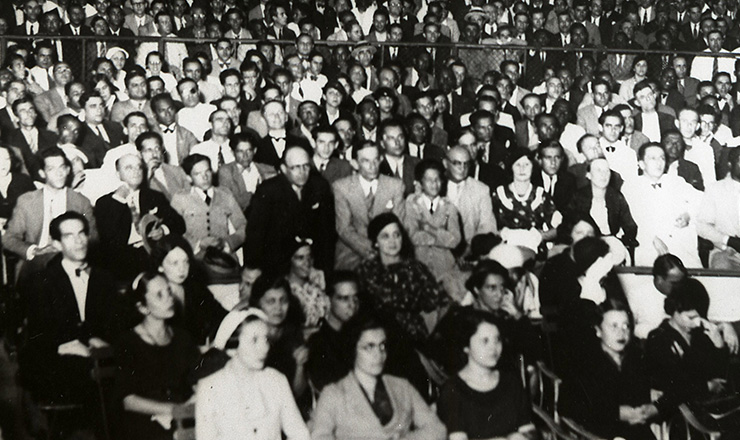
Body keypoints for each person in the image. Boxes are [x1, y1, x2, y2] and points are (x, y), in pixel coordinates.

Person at [22, 212, 120, 413]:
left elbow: (114, 324)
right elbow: (38, 333)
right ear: (56, 244)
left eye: (82, 233)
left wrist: (97, 343)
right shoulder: (41, 282)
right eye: (69, 236)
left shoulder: (105, 279)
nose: (79, 241)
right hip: (57, 359)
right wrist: (70, 344)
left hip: (99, 358)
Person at [311, 313, 446, 440]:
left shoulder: (402, 386)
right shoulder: (334, 394)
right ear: (353, 349)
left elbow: (437, 429)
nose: (379, 355)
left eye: (382, 346)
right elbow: (320, 437)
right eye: (369, 347)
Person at [196, 309, 310, 440]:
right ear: (232, 347)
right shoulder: (209, 389)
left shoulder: (276, 380)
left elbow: (300, 434)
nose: (265, 348)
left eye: (266, 339)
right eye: (254, 340)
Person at [562, 299, 663, 439]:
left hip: (637, 433)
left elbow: (666, 391)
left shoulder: (637, 358)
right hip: (598, 435)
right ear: (598, 330)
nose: (621, 333)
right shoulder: (584, 363)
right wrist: (617, 413)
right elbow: (569, 408)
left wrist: (654, 408)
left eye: (626, 326)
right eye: (613, 326)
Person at [117, 271, 200, 440]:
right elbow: (128, 400)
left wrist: (190, 405)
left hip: (182, 415)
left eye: (168, 291)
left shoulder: (183, 338)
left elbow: (196, 382)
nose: (169, 299)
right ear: (143, 307)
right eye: (159, 295)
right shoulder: (128, 343)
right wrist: (173, 410)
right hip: (145, 422)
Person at [436, 309, 535, 440]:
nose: (493, 347)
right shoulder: (453, 390)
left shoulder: (511, 381)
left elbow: (528, 429)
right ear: (466, 346)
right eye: (485, 341)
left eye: (497, 340)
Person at [5, 148, 97, 282]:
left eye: (62, 168)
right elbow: (9, 238)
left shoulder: (81, 202)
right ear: (42, 173)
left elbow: (93, 238)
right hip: (36, 264)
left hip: (71, 261)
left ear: (68, 170)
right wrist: (33, 250)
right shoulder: (27, 201)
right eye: (51, 169)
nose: (59, 173)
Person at [357, 213, 447, 347]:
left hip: (412, 338)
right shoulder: (365, 270)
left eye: (396, 235)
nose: (392, 241)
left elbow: (440, 302)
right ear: (376, 242)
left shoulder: (415, 269)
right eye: (385, 236)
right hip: (378, 339)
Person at [94, 154, 185, 282]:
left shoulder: (154, 196)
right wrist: (119, 199)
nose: (136, 171)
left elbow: (178, 223)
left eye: (139, 167)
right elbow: (108, 238)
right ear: (118, 174)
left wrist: (163, 230)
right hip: (122, 261)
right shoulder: (105, 203)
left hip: (153, 254)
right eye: (129, 168)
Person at [646, 278, 730, 415]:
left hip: (706, 406)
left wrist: (719, 345)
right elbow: (674, 385)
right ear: (674, 310)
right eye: (691, 318)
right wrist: (707, 386)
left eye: (699, 317)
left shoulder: (700, 333)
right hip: (677, 411)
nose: (697, 323)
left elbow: (720, 378)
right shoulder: (658, 338)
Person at [246, 145, 336, 273]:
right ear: (283, 169)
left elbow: (327, 234)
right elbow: (255, 237)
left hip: (312, 263)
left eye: (306, 166)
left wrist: (322, 270)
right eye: (295, 167)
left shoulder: (320, 186)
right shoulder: (267, 191)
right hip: (277, 264)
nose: (302, 172)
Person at [333, 141, 405, 270]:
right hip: (352, 250)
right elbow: (344, 229)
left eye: (375, 160)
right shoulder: (341, 187)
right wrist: (370, 249)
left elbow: (398, 223)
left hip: (388, 250)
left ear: (381, 159)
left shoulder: (395, 186)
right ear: (355, 163)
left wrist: (382, 250)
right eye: (366, 161)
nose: (372, 166)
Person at [150, 234, 226, 344]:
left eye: (186, 262)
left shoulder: (196, 289)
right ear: (160, 266)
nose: (182, 269)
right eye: (174, 263)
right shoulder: (155, 297)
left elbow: (220, 315)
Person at [171, 154, 247, 259]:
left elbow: (243, 226)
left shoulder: (225, 194)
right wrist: (198, 244)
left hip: (224, 257)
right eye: (198, 174)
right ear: (189, 178)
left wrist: (228, 243)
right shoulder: (180, 198)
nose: (205, 177)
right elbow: (173, 232)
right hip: (195, 259)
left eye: (207, 171)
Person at [248, 274, 310, 402]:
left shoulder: (293, 334)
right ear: (258, 304)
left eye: (283, 300)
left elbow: (297, 394)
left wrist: (300, 366)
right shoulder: (249, 336)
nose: (278, 308)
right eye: (271, 301)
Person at [492, 148, 561, 253]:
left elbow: (558, 228)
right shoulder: (499, 194)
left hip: (535, 252)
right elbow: (487, 226)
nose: (522, 169)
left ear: (533, 167)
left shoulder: (540, 195)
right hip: (505, 251)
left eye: (526, 165)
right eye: (518, 165)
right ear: (511, 167)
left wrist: (541, 235)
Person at [403, 159, 461, 279]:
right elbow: (412, 237)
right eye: (429, 180)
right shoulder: (411, 203)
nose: (434, 184)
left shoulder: (449, 207)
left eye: (437, 179)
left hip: (445, 268)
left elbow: (455, 240)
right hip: (418, 265)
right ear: (420, 182)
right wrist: (442, 237)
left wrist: (428, 228)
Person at [566, 157, 638, 248]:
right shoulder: (578, 196)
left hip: (611, 243)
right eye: (598, 170)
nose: (603, 175)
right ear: (588, 175)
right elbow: (567, 225)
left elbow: (630, 226)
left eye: (607, 171)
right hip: (585, 244)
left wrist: (621, 242)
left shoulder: (616, 197)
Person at [307, 271, 361, 391]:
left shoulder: (361, 334)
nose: (352, 304)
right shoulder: (319, 342)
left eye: (355, 297)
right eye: (344, 298)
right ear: (328, 300)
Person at [697, 148, 740, 269]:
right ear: (730, 164)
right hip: (725, 251)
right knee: (722, 270)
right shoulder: (715, 189)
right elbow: (702, 226)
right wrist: (728, 240)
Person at [285, 237, 329, 333]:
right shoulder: (285, 288)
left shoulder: (316, 286)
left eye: (310, 257)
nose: (307, 263)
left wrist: (322, 289)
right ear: (290, 260)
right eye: (300, 258)